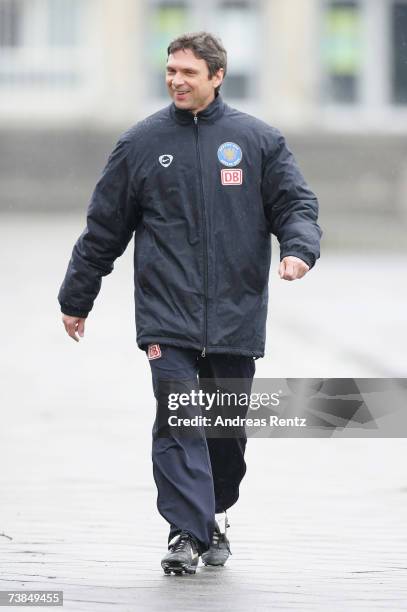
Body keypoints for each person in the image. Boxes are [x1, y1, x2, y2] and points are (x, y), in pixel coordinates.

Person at [58, 31, 322, 575]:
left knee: (225, 431)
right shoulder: (140, 143)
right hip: (166, 315)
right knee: (178, 416)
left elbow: (295, 204)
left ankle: (213, 516)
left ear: (218, 76)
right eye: (171, 70)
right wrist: (77, 296)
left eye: (189, 73)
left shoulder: (258, 141)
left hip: (235, 314)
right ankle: (184, 531)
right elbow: (104, 227)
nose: (176, 80)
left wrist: (298, 250)